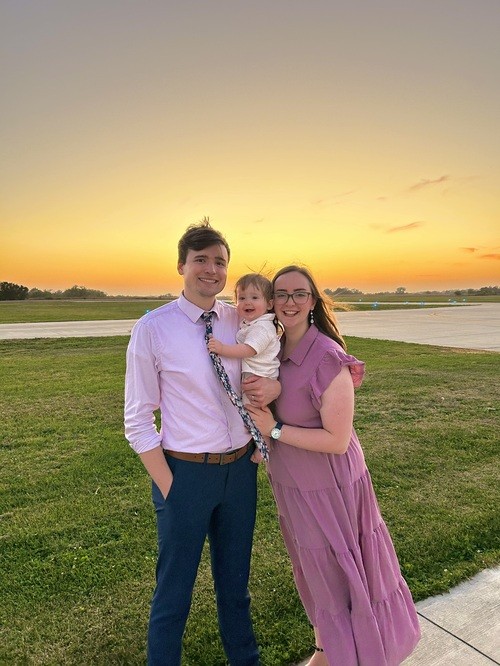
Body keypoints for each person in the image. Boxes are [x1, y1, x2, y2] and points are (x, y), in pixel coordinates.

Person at [247, 265, 421, 666]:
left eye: (299, 294)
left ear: (312, 302)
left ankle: (364, 653)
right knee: (316, 572)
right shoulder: (273, 351)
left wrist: (274, 430)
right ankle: (327, 650)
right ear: (271, 302)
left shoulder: (327, 357)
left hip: (330, 485)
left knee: (341, 574)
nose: (290, 302)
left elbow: (337, 440)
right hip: (293, 484)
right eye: (281, 294)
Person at [124, 219, 279, 666]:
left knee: (235, 587)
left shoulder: (241, 321)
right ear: (182, 265)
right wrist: (169, 486)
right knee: (174, 594)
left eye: (220, 262)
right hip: (185, 474)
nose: (211, 270)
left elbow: (271, 368)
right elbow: (137, 419)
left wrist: (274, 393)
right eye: (201, 260)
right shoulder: (153, 328)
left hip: (240, 471)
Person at [207, 272, 280, 405]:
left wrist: (222, 348)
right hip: (254, 374)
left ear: (269, 304)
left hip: (258, 377)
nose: (247, 302)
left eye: (254, 297)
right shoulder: (251, 323)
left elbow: (248, 350)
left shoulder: (262, 327)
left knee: (250, 410)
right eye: (242, 298)